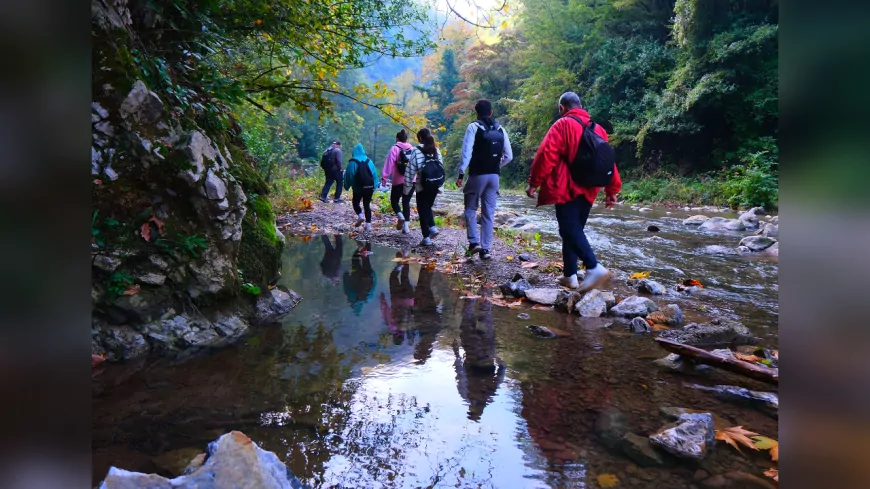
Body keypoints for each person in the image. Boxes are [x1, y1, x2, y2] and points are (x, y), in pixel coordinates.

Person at [525, 91, 622, 291]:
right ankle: (570, 275)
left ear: (562, 108)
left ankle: (593, 267)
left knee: (568, 229)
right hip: (590, 189)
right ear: (580, 105)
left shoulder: (562, 124)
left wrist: (534, 182)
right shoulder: (599, 129)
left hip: (567, 187)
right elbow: (608, 161)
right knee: (574, 230)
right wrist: (612, 189)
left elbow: (546, 154)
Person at [456, 99, 514, 260]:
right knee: (489, 213)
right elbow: (509, 156)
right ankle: (486, 250)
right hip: (494, 177)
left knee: (470, 210)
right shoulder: (501, 129)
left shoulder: (473, 127)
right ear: (491, 112)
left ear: (476, 112)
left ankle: (474, 243)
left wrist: (461, 173)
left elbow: (466, 153)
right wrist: (496, 165)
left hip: (477, 175)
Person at [452, 296, 505, 421]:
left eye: (472, 410)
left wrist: (499, 360)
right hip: (477, 353)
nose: (474, 406)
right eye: (475, 410)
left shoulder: (484, 395)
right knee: (470, 317)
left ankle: (482, 290)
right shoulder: (479, 395)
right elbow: (460, 374)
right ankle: (479, 290)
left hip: (482, 353)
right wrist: (456, 353)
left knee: (481, 317)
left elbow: (461, 374)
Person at [403, 128, 445, 246]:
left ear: (419, 138)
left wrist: (406, 188)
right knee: (427, 207)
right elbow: (440, 168)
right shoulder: (436, 150)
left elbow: (410, 171)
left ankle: (427, 236)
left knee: (422, 209)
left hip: (422, 185)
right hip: (435, 184)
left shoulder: (416, 150)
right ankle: (432, 228)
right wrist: (441, 186)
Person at [381, 129, 416, 234]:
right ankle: (406, 227)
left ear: (397, 138)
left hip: (399, 180)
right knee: (406, 202)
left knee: (394, 200)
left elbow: (389, 164)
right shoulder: (413, 149)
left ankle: (400, 216)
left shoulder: (394, 148)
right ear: (406, 139)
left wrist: (384, 178)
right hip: (411, 180)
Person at [380, 251, 415, 344]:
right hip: (396, 298)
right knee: (393, 277)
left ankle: (405, 255)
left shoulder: (408, 326)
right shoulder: (391, 326)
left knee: (405, 277)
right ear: (393, 337)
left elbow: (415, 314)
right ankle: (399, 266)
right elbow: (385, 310)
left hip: (409, 299)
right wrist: (382, 299)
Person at [343, 143, 379, 232]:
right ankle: (368, 226)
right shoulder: (369, 161)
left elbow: (349, 175)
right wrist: (374, 187)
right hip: (369, 187)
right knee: (367, 205)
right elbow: (375, 175)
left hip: (358, 188)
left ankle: (360, 216)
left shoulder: (353, 162)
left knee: (355, 203)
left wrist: (346, 186)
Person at [342, 241, 377, 316]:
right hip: (358, 274)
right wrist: (345, 275)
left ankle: (368, 239)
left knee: (366, 259)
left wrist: (373, 275)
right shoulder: (352, 299)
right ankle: (360, 248)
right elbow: (347, 287)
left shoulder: (368, 299)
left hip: (369, 275)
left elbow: (374, 286)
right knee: (354, 259)